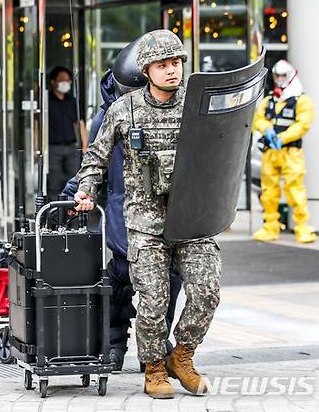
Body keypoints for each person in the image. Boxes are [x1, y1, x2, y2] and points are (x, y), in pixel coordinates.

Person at [73, 30, 220, 399]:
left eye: (176, 63)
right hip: (146, 223)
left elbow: (223, 149)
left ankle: (182, 357)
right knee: (154, 301)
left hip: (191, 218)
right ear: (147, 70)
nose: (172, 71)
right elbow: (97, 155)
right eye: (163, 65)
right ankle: (154, 368)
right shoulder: (125, 109)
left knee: (207, 292)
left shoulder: (196, 103)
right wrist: (86, 189)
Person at [61, 47, 182, 373]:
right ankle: (114, 345)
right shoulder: (110, 114)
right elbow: (92, 165)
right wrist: (69, 198)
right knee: (120, 282)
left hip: (166, 215)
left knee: (168, 282)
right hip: (124, 216)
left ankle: (155, 349)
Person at [252, 59, 316, 244]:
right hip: (270, 152)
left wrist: (283, 137)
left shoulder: (302, 101)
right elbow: (258, 118)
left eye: (283, 76)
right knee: (268, 191)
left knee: (295, 190)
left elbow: (303, 124)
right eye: (277, 76)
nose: (280, 79)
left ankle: (303, 227)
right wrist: (268, 130)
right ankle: (270, 226)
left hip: (291, 153)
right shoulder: (270, 100)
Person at [47, 66, 87, 200]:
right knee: (54, 183)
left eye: (67, 80)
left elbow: (80, 123)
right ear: (53, 82)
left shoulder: (72, 101)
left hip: (71, 147)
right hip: (53, 148)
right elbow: (37, 125)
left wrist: (85, 147)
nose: (65, 83)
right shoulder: (46, 101)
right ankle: (54, 214)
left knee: (75, 181)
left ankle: (72, 215)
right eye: (62, 80)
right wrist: (36, 147)